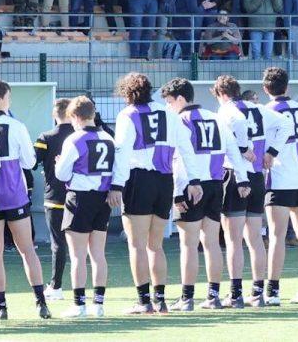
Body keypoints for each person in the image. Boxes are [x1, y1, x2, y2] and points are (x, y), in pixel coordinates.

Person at [158, 78, 248, 312]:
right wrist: (243, 178)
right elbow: (233, 150)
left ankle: (187, 298)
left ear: (180, 99)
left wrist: (178, 194)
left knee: (188, 244)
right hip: (216, 185)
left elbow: (178, 159)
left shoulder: (179, 121)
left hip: (191, 184)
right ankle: (213, 296)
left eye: (169, 102)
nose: (168, 106)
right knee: (211, 243)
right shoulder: (216, 117)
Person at [111, 73, 198, 314]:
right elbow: (186, 148)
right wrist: (193, 180)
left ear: (127, 93)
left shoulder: (127, 115)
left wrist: (116, 185)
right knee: (156, 245)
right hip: (164, 181)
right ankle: (160, 301)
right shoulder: (169, 113)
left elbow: (122, 152)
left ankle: (144, 301)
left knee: (137, 246)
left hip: (138, 179)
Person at [0, 79, 50, 320]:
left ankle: (1, 308)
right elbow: (29, 162)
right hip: (12, 190)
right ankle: (41, 302)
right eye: (8, 96)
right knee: (26, 249)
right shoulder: (14, 125)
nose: (10, 101)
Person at [54, 96, 117, 318]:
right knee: (98, 253)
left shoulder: (74, 139)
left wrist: (60, 163)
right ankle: (98, 304)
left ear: (75, 117)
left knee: (78, 255)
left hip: (79, 198)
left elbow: (61, 173)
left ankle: (79, 305)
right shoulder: (108, 138)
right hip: (102, 199)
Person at [212, 77, 272, 308]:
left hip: (236, 175)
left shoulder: (226, 111)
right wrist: (271, 151)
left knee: (233, 239)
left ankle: (235, 293)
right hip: (257, 175)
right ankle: (258, 293)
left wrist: (243, 147)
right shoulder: (258, 109)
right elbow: (285, 124)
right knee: (255, 238)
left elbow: (235, 128)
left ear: (221, 93)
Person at [259, 68, 298, 304]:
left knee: (276, 236)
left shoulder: (266, 111)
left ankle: (272, 290)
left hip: (279, 178)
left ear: (266, 89)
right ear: (287, 87)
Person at [34, 99, 73, 302]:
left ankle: (56, 286)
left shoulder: (46, 137)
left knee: (58, 243)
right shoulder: (79, 136)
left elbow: (32, 161)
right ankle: (86, 290)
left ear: (54, 114)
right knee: (86, 245)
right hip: (80, 197)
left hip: (55, 197)